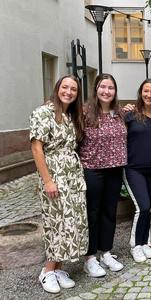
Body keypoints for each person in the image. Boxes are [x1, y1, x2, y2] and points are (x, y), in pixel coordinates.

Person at [29, 75, 87, 293]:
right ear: (57, 88)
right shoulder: (43, 113)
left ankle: (58, 268)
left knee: (71, 223)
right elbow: (36, 148)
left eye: (73, 89)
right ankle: (47, 271)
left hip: (72, 176)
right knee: (56, 222)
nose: (69, 92)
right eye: (65, 87)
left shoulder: (70, 115)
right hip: (54, 175)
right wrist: (47, 180)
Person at [79, 73, 127, 277]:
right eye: (103, 87)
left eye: (111, 88)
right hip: (92, 169)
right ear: (96, 89)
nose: (106, 91)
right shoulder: (84, 113)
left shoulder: (120, 114)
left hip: (115, 169)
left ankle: (106, 251)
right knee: (93, 212)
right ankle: (90, 258)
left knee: (110, 212)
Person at [123, 79, 151, 263]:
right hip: (134, 169)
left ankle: (145, 243)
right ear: (141, 93)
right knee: (143, 206)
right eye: (145, 91)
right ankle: (135, 245)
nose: (149, 95)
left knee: (148, 206)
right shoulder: (131, 115)